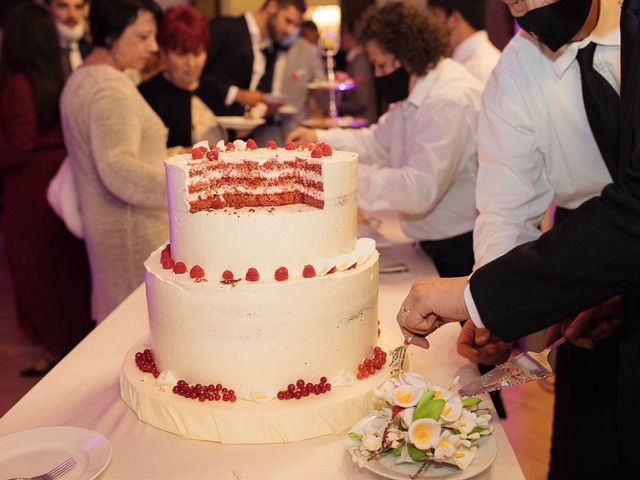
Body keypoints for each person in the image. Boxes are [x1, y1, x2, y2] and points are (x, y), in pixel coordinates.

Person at [397, 0, 634, 477]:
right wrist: (495, 316)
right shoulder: (517, 69)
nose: (520, 3)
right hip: (577, 267)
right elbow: (506, 206)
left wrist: (481, 296)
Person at [287, 2, 482, 278]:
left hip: (459, 247)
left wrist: (337, 176)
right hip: (431, 239)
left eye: (381, 65)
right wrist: (318, 139)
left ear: (407, 55)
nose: (378, 76)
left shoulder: (448, 99)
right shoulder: (418, 88)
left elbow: (418, 190)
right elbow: (376, 142)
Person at [0, 2, 93, 375]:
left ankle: (58, 350)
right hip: (55, 175)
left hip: (31, 186)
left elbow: (20, 143)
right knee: (62, 269)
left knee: (37, 271)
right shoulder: (54, 75)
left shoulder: (20, 82)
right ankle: (67, 346)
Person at [60, 0, 168, 323]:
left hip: (112, 232)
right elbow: (118, 169)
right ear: (111, 35)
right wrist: (188, 185)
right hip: (132, 235)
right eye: (143, 36)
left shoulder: (84, 78)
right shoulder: (110, 88)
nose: (153, 46)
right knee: (136, 338)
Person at [201, 0, 306, 118]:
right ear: (272, 6)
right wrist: (236, 94)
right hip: (208, 125)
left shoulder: (271, 49)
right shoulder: (224, 27)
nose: (290, 31)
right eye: (288, 21)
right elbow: (196, 76)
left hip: (245, 132)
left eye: (295, 26)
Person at [139, 5, 224, 149]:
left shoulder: (214, 88)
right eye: (180, 54)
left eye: (197, 54)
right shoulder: (147, 96)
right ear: (163, 53)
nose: (191, 64)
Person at [428, 0, 500, 86]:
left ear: (454, 19)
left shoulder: (478, 67)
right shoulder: (478, 60)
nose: (430, 26)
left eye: (435, 16)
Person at [337, 20, 378, 125]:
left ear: (351, 36)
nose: (341, 39)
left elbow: (362, 99)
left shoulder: (360, 61)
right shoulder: (355, 60)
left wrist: (337, 105)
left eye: (343, 34)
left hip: (363, 122)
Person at [45, 0, 92, 76]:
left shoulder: (92, 51)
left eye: (78, 7)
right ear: (48, 8)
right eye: (63, 6)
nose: (72, 15)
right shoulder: (38, 53)